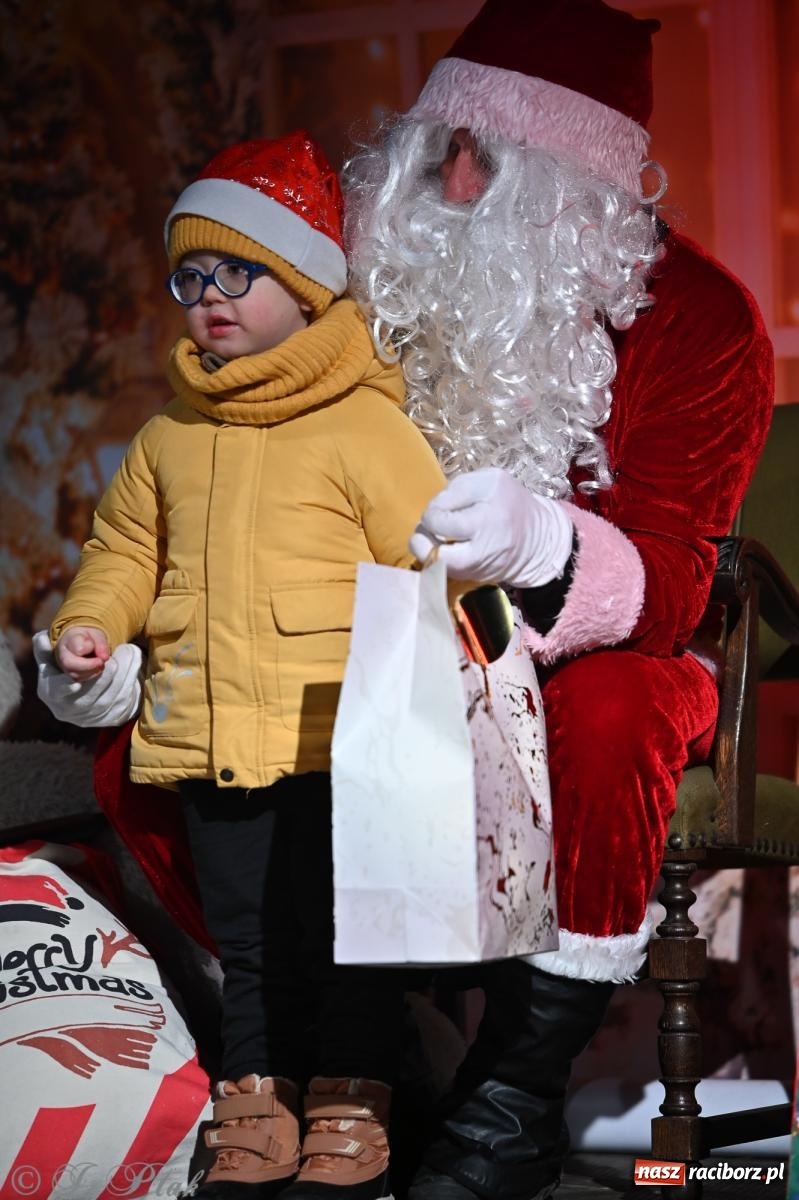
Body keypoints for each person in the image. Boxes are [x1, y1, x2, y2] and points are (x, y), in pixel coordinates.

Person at [341, 0, 775, 1197]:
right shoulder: (365, 283)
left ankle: (511, 1097)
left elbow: (675, 588)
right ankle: (350, 1059)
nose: (448, 185)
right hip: (391, 632)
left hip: (612, 657)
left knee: (614, 707)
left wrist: (544, 545)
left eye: (485, 158)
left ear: (571, 179)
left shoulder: (698, 318)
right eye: (435, 149)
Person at [38, 130, 446, 1200]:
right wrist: (92, 624)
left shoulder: (363, 425)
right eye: (192, 277)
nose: (210, 298)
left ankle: (353, 1105)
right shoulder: (168, 437)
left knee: (351, 935)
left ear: (304, 286)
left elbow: (430, 559)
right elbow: (123, 553)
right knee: (251, 943)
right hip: (211, 734)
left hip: (339, 741)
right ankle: (257, 1107)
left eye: (238, 273)